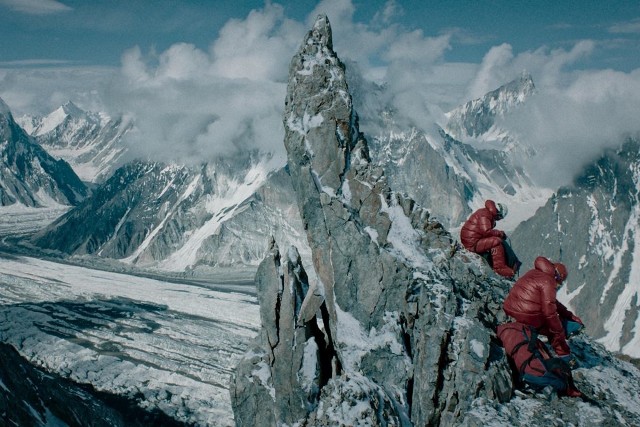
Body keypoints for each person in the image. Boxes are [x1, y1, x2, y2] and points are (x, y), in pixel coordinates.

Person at [503, 256, 584, 365]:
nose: (558, 285)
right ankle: (565, 356)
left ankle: (566, 329)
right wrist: (559, 329)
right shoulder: (549, 281)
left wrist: (570, 315)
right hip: (525, 317)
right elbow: (549, 312)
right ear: (558, 277)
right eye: (560, 282)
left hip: (510, 310)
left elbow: (552, 302)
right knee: (555, 326)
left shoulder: (534, 272)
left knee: (554, 321)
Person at [497, 321, 582, 397]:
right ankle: (570, 389)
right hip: (535, 372)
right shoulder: (525, 331)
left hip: (525, 373)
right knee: (559, 367)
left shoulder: (504, 331)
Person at [460, 200, 519, 278]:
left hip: (471, 240)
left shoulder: (486, 212)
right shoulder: (485, 214)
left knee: (493, 240)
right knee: (496, 242)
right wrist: (500, 233)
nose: (499, 219)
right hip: (472, 243)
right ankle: (499, 268)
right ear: (499, 213)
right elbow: (486, 231)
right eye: (500, 217)